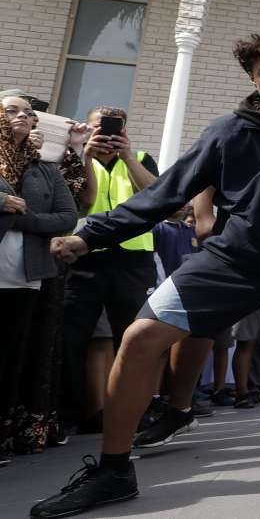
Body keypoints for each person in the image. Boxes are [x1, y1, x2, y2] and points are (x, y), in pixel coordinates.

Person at [28, 33, 260, 518]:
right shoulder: (227, 133)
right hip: (230, 262)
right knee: (139, 337)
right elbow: (163, 195)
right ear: (254, 80)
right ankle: (113, 471)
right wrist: (90, 237)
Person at [59, 106, 159, 432]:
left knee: (132, 339)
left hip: (132, 259)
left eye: (114, 129)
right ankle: (75, 413)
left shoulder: (140, 157)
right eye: (98, 128)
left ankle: (133, 413)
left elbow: (159, 198)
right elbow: (85, 202)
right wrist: (85, 157)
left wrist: (128, 157)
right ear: (86, 129)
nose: (106, 135)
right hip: (85, 255)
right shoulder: (73, 158)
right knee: (72, 337)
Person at [0, 94, 78, 464]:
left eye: (28, 112)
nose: (22, 115)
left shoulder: (44, 168)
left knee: (8, 358)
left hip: (23, 276)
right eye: (11, 109)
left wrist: (21, 219)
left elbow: (66, 218)